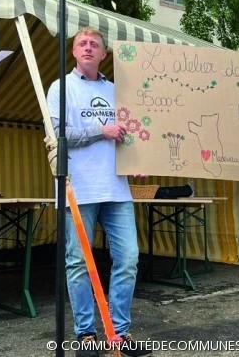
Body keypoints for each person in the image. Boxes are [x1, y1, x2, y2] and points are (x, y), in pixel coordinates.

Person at [46, 27, 150, 357]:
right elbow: (56, 133)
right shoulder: (60, 88)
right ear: (74, 52)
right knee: (77, 262)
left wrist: (138, 158)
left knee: (129, 258)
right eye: (82, 44)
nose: (88, 48)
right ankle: (86, 334)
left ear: (104, 54)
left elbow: (131, 133)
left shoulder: (119, 91)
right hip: (78, 186)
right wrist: (100, 130)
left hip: (117, 187)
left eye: (95, 44)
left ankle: (118, 332)